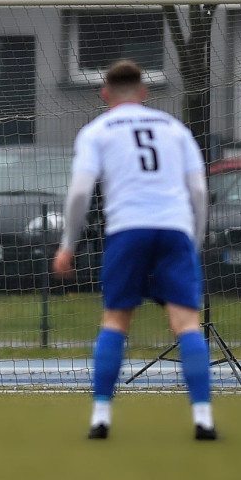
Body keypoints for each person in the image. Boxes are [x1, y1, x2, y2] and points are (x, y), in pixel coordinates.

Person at [51, 60, 213, 440]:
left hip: (128, 231)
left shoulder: (97, 131)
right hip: (174, 229)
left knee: (116, 322)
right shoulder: (175, 129)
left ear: (104, 94)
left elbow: (78, 192)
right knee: (187, 325)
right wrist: (195, 241)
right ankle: (203, 419)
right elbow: (199, 191)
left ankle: (101, 417)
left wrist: (67, 245)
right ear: (144, 93)